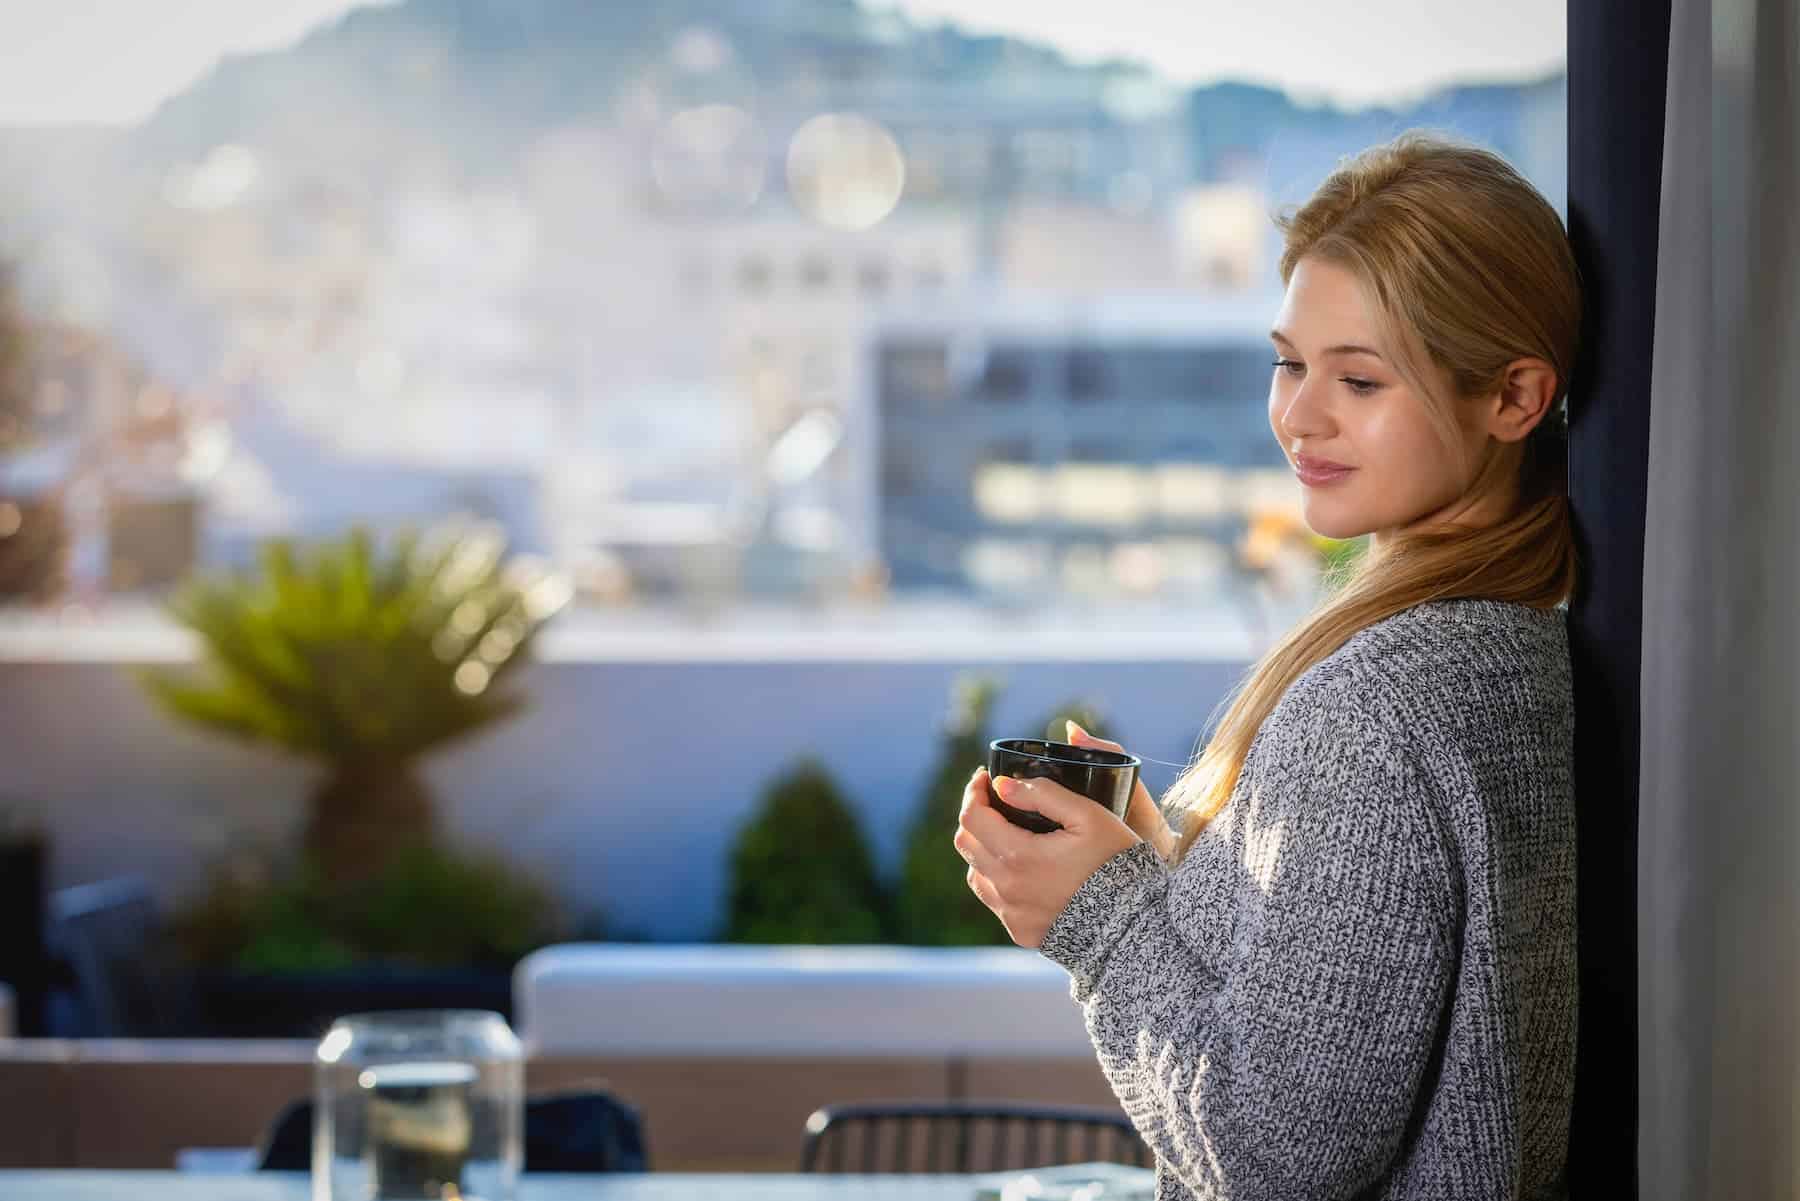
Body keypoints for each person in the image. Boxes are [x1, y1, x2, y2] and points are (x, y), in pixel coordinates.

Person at [954, 130, 1579, 1200]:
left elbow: (1275, 1159)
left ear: (1515, 398)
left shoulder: (1373, 706)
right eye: (1289, 362)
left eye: (1362, 379)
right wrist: (1172, 870)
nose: (1300, 415)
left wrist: (1099, 919)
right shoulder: (1521, 639)